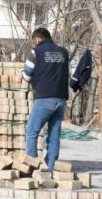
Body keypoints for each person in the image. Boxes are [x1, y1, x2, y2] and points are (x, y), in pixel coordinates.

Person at [22, 27, 70, 171]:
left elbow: (27, 76)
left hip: (44, 97)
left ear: (37, 39)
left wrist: (22, 74)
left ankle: (32, 167)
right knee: (54, 134)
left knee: (32, 131)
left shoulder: (35, 52)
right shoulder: (63, 52)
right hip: (61, 98)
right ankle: (50, 168)